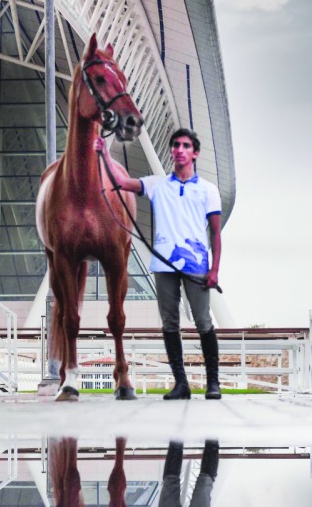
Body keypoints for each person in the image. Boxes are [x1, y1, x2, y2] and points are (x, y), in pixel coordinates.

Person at [94, 128, 222, 399]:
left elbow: (216, 233)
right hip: (164, 265)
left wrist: (215, 269)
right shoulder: (157, 185)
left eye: (186, 145)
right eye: (175, 145)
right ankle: (181, 384)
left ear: (195, 153)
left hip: (196, 265)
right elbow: (123, 183)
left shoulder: (208, 190)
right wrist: (104, 154)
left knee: (203, 321)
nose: (179, 149)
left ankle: (213, 383)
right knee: (170, 323)